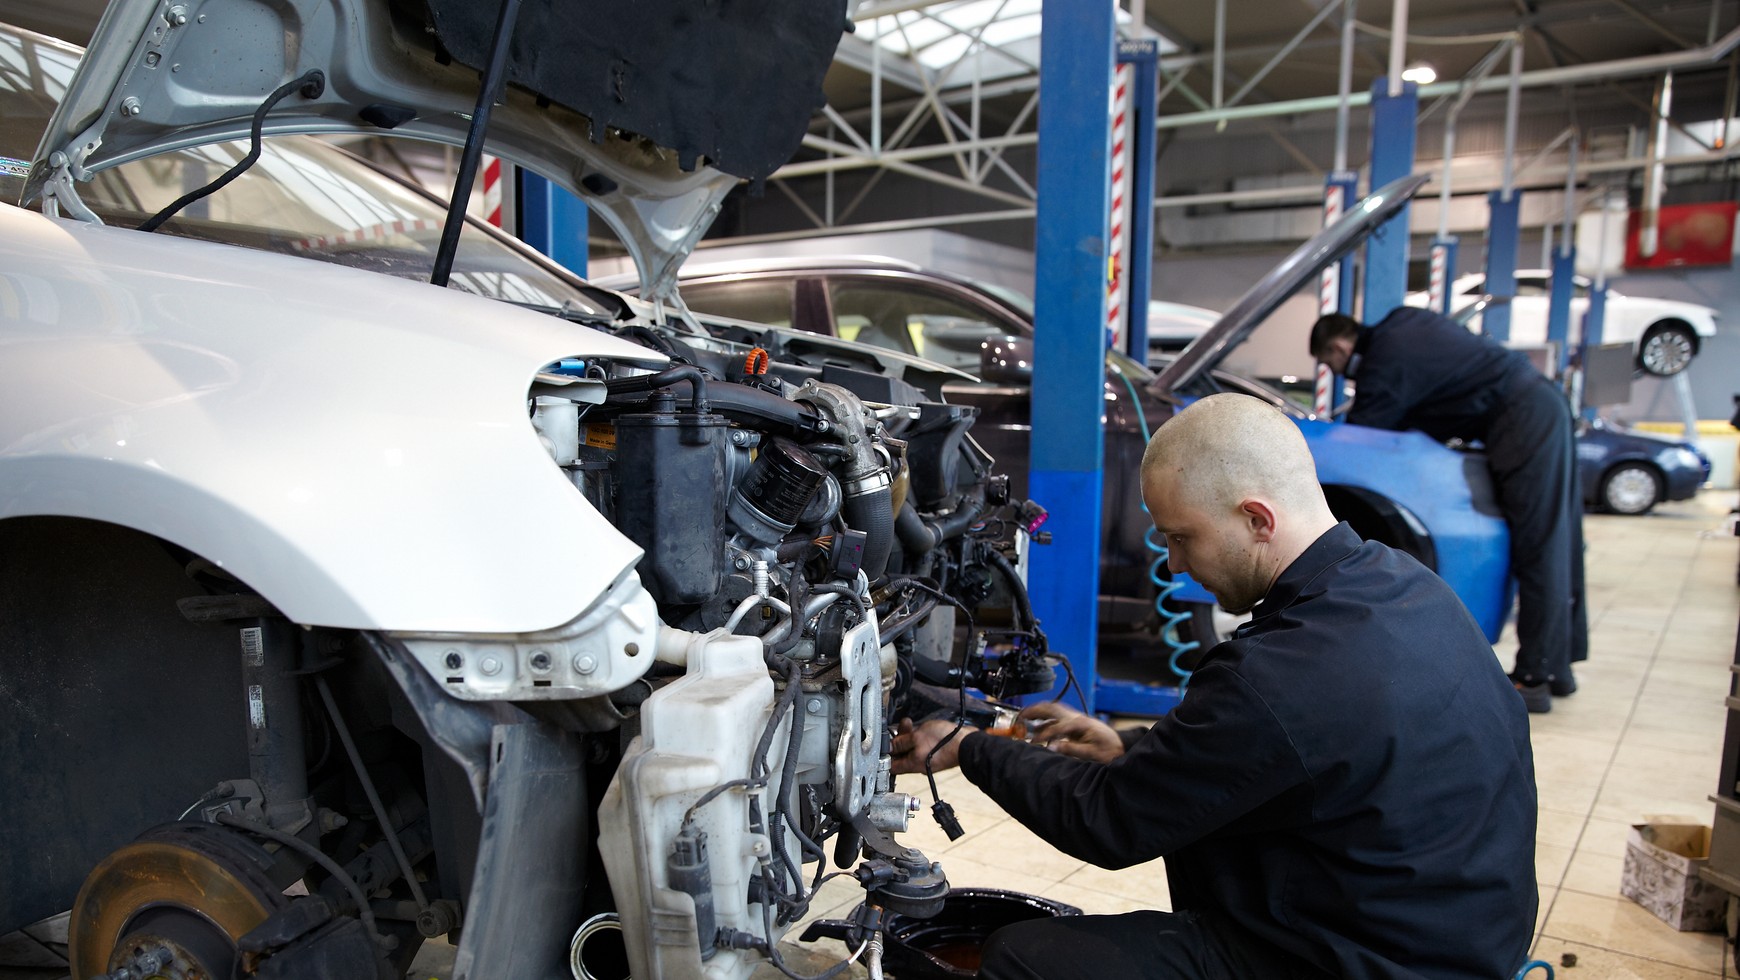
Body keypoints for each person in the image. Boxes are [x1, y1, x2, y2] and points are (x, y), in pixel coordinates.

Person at [892, 394, 1537, 980]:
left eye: (1181, 537)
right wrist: (1130, 748)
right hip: (1452, 939)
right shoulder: (1405, 585)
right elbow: (1285, 752)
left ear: (1257, 518)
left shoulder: (1276, 673)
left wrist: (968, 746)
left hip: (1366, 962)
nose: (1174, 563)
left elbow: (1108, 822)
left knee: (1023, 957)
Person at [1310, 306, 1587, 712]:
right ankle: (1557, 669)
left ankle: (1534, 679)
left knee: (1539, 546)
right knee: (1558, 539)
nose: (1336, 372)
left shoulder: (1385, 359)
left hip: (1523, 419)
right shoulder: (1404, 324)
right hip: (1540, 406)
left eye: (1329, 363)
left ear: (1338, 347)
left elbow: (1362, 436)